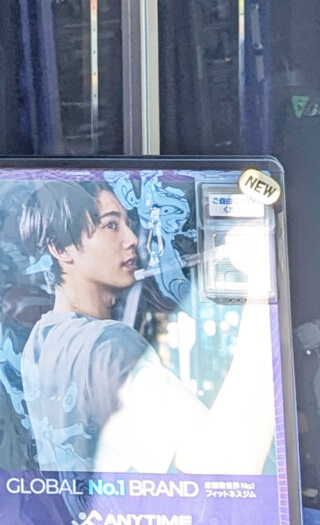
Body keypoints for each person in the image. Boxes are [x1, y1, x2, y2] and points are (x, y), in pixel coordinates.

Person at [15, 177, 275, 476]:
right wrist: (261, 281)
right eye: (111, 225)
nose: (131, 239)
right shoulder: (107, 346)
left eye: (128, 224)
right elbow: (229, 463)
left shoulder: (42, 341)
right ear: (61, 249)